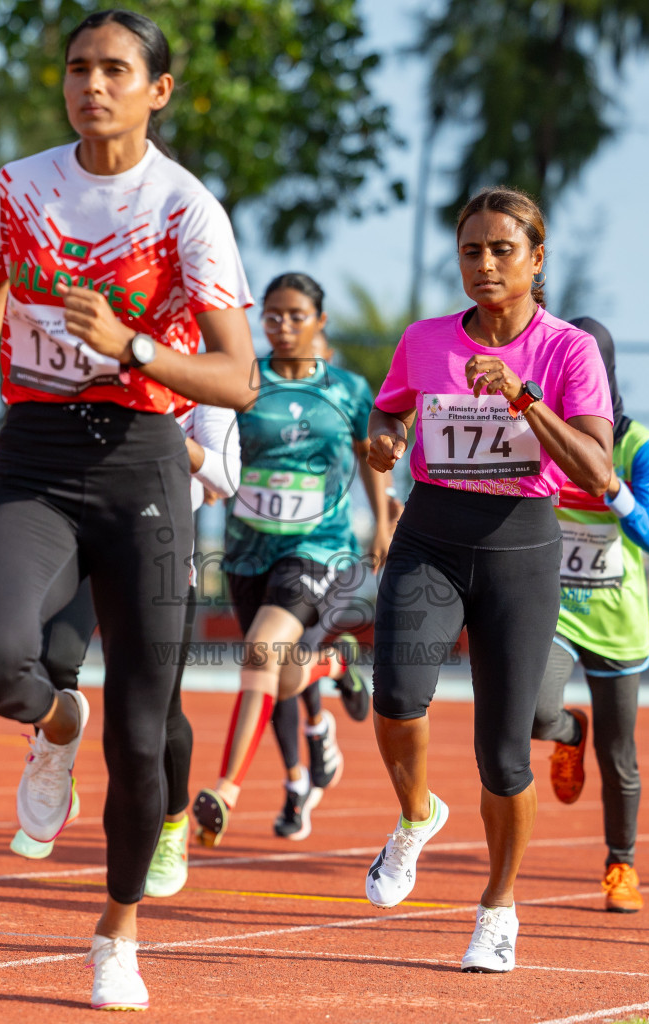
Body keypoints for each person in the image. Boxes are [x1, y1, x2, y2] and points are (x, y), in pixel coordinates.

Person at [0, 10, 255, 1011]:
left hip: (144, 466)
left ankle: (117, 932)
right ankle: (56, 717)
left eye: (115, 69)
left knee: (145, 734)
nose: (91, 84)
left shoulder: (185, 209)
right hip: (33, 453)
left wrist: (133, 346)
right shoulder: (22, 186)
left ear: (158, 89)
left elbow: (237, 378)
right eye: (78, 67)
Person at [363, 186, 614, 973]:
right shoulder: (425, 339)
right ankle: (416, 814)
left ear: (537, 260)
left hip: (520, 548)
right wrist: (382, 442)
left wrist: (523, 398)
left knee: (504, 756)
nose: (485, 263)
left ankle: (499, 906)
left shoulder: (569, 350)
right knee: (396, 696)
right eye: (472, 250)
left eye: (503, 250)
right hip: (432, 532)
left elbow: (597, 471)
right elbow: (391, 415)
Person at [10, 399, 240, 907]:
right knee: (49, 659)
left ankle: (173, 826)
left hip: (156, 554)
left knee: (158, 710)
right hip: (82, 540)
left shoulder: (202, 381)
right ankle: (55, 770)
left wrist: (162, 440)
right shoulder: (94, 362)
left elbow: (225, 477)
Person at [191, 272, 388, 846]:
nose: (282, 326)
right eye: (272, 315)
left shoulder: (348, 390)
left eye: (296, 315)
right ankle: (335, 669)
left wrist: (381, 521)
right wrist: (207, 477)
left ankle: (225, 791)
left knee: (260, 651)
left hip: (319, 548)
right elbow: (218, 444)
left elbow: (369, 455)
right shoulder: (244, 380)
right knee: (276, 673)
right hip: (248, 550)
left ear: (320, 322)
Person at [532, 317, 649, 914]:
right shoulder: (539, 429)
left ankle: (622, 863)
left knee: (620, 756)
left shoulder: (639, 446)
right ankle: (570, 731)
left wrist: (613, 489)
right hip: (554, 609)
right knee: (534, 714)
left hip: (618, 620)